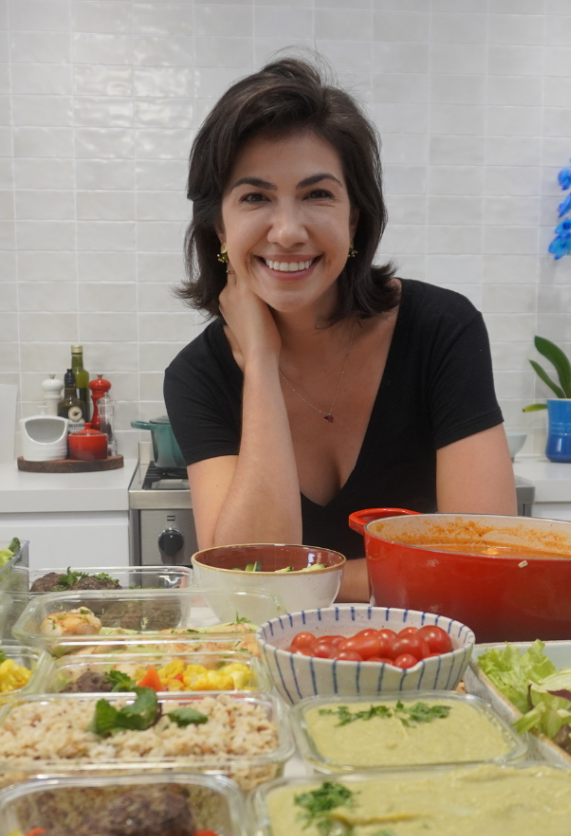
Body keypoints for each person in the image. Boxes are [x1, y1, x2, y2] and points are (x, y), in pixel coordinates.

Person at [164, 58, 516, 601]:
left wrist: (301, 582)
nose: (287, 232)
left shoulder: (442, 330)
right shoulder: (198, 375)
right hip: (274, 656)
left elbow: (487, 557)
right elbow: (244, 585)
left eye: (317, 195)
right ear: (220, 226)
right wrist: (260, 361)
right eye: (255, 197)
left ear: (354, 219)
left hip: (424, 649)